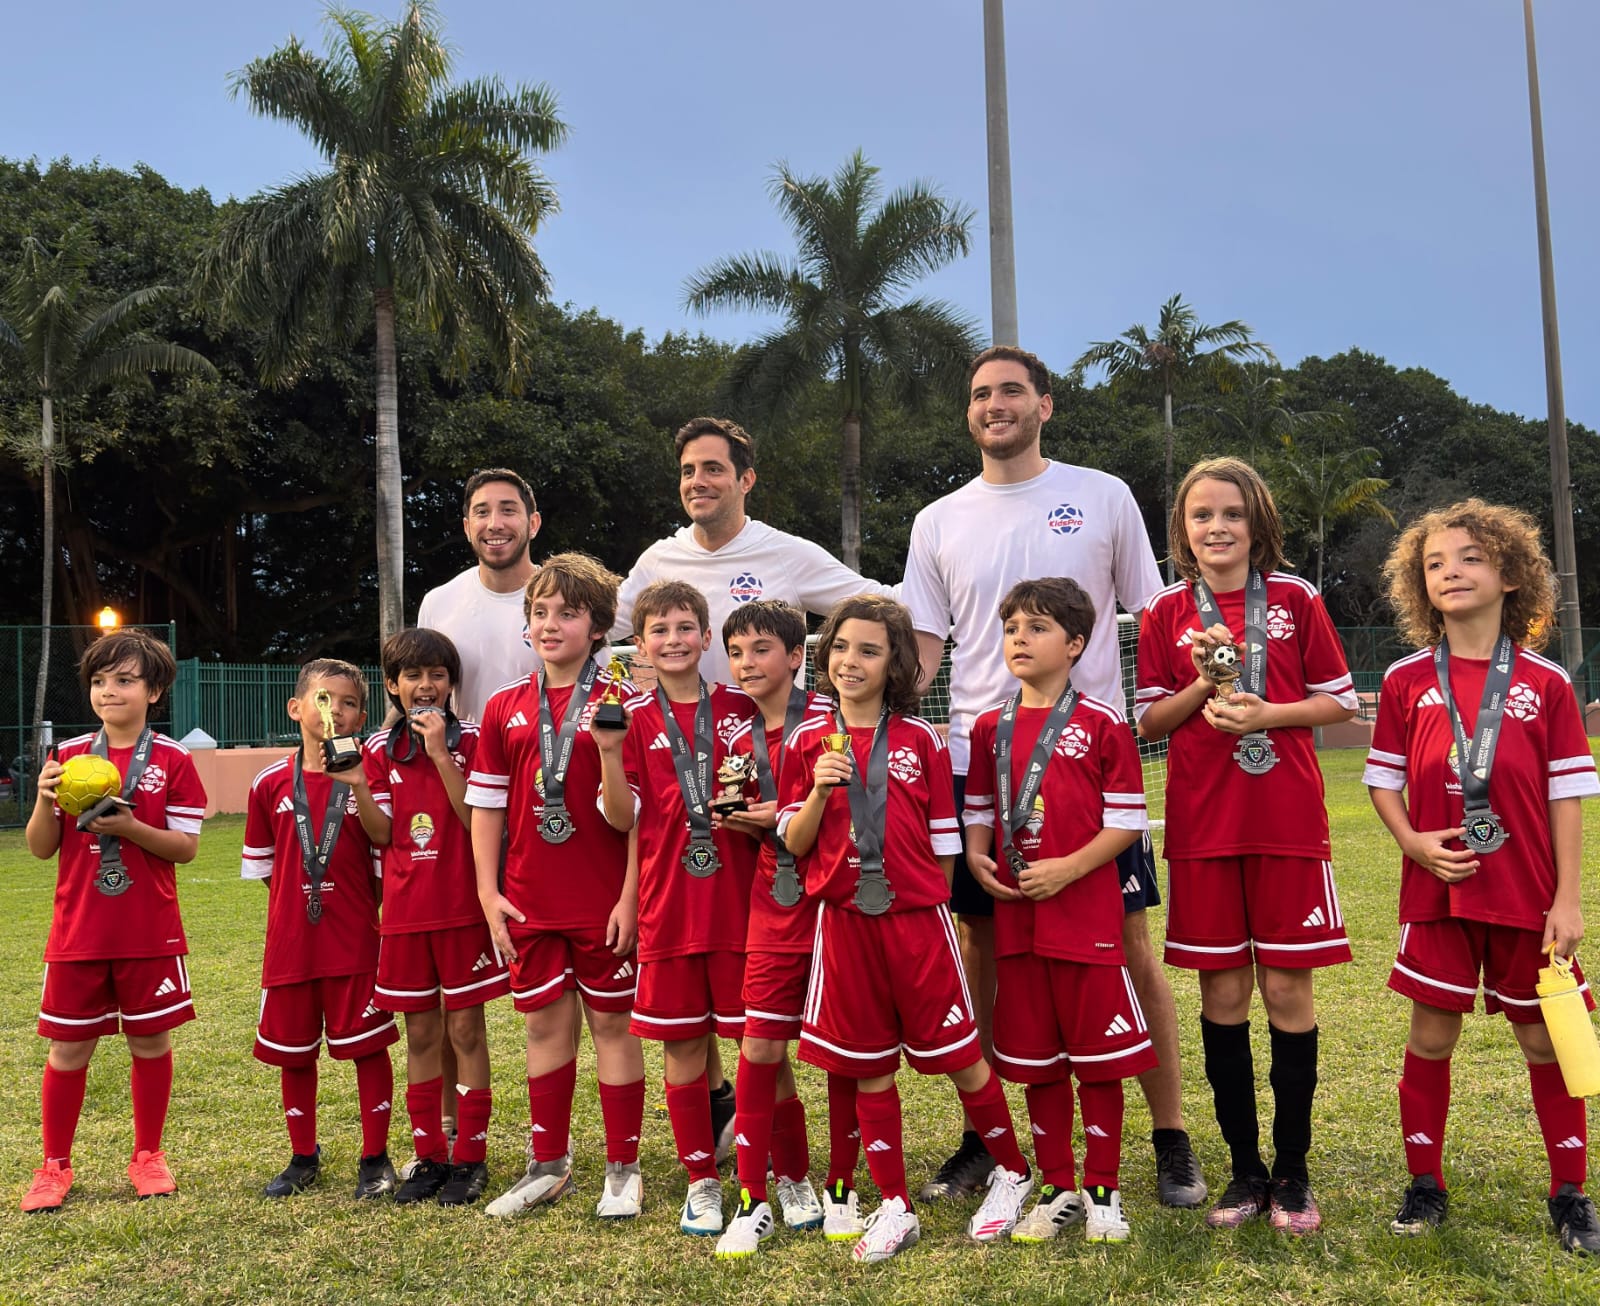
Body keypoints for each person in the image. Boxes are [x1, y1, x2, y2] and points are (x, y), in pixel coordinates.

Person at [901, 345, 1204, 1206]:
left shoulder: (1101, 494)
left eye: (1009, 392)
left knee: (1129, 950)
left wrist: (1211, 682)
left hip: (1083, 772)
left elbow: (1156, 613)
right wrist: (881, 708)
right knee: (983, 944)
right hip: (980, 773)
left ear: (1045, 404)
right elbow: (927, 644)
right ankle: (988, 1138)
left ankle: (1171, 1135)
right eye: (980, 394)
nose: (993, 405)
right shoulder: (938, 520)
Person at [1365, 499, 1600, 1253]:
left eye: (1468, 557)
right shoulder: (1406, 680)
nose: (1451, 571)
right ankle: (1424, 1184)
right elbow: (1384, 781)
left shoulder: (1547, 683)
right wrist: (1412, 842)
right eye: (1435, 562)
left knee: (1547, 1041)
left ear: (1508, 574)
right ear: (1417, 583)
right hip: (1437, 890)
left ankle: (1570, 1195)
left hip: (1528, 895)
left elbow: (1567, 796)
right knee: (1431, 1037)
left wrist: (1567, 898)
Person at [1136, 457, 1356, 1234]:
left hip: (1287, 826)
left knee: (1289, 994)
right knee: (1223, 996)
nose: (1217, 527)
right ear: (1182, 531)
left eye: (1232, 514)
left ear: (1257, 523)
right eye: (1201, 516)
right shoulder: (1166, 611)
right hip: (1204, 832)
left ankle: (1293, 1173)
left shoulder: (1295, 598)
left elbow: (1341, 699)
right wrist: (1205, 686)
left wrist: (1267, 714)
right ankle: (1243, 1172)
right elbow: (1149, 723)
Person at [780, 594, 1033, 1263]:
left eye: (868, 649)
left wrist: (931, 906)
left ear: (895, 662)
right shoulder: (806, 740)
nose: (850, 661)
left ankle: (1011, 1170)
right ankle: (894, 1204)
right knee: (867, 1067)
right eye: (839, 647)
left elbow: (944, 844)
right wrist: (819, 790)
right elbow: (796, 844)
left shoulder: (922, 739)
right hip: (843, 926)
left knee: (961, 1057)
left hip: (918, 922)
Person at [964, 577, 1158, 1245]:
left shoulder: (1102, 723)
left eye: (1038, 627)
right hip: (1018, 920)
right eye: (1012, 625)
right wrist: (977, 853)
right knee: (1038, 1059)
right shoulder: (990, 725)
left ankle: (1103, 1186)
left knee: (1097, 1059)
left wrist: (1071, 868)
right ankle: (1057, 1186)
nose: (1021, 637)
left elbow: (1128, 822)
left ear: (1075, 644)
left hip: (1085, 919)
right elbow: (981, 810)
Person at [468, 553, 648, 1221]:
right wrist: (488, 894)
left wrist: (631, 896)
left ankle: (623, 1168)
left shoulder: (628, 704)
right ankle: (548, 1164)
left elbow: (639, 819)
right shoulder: (504, 707)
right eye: (539, 613)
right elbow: (486, 807)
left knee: (611, 1022)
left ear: (599, 628)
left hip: (604, 902)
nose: (550, 624)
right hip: (529, 898)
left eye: (567, 613)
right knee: (544, 1025)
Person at [21, 630, 207, 1213]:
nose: (109, 691)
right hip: (78, 930)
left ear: (153, 691)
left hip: (148, 929)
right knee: (68, 1049)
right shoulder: (69, 758)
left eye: (124, 680)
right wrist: (41, 799)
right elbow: (40, 849)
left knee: (150, 1040)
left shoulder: (173, 759)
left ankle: (147, 1155)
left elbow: (184, 849)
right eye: (99, 681)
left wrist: (129, 829)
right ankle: (54, 1165)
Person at [595, 579, 758, 1238]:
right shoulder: (628, 716)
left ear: (705, 636)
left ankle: (761, 1173)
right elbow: (621, 818)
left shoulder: (743, 707)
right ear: (640, 644)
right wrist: (608, 754)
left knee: (757, 1046)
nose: (672, 640)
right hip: (671, 907)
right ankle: (702, 1182)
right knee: (684, 1047)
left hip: (744, 906)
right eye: (658, 630)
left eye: (685, 627)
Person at [241, 659, 399, 1200]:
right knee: (294, 1052)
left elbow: (383, 853)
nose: (337, 710)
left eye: (350, 702)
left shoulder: (369, 777)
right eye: (325, 699)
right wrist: (305, 899)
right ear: (297, 708)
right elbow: (265, 867)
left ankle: (375, 1158)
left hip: (355, 941)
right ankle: (302, 1156)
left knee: (367, 1048)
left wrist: (349, 906)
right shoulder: (268, 784)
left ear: (362, 715)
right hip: (292, 944)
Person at [363, 628, 507, 1207]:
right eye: (413, 676)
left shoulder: (472, 738)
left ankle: (471, 1157)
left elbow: (474, 818)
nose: (426, 686)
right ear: (393, 685)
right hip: (403, 913)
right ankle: (429, 1156)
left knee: (465, 1029)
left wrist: (441, 753)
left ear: (453, 683)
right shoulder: (375, 749)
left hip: (461, 909)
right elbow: (384, 833)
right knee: (421, 1032)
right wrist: (355, 785)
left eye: (438, 675)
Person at [712, 600, 834, 1258]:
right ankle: (763, 1192)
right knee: (760, 1048)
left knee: (848, 1053)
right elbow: (741, 818)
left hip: (834, 908)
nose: (746, 663)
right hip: (771, 909)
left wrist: (778, 815)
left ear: (795, 656)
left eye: (761, 649)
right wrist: (734, 818)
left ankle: (828, 1182)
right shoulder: (737, 740)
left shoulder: (831, 724)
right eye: (736, 652)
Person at [614, 417, 896, 688]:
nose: (697, 481)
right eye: (688, 471)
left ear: (746, 480)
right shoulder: (658, 560)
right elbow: (596, 628)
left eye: (713, 469)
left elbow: (887, 605)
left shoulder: (787, 554)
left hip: (770, 736)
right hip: (679, 736)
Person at [418, 468, 542, 722]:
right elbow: (418, 695)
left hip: (547, 760)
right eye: (482, 513)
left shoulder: (573, 601)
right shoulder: (438, 604)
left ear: (533, 524)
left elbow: (598, 692)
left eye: (508, 510)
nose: (495, 524)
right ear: (467, 527)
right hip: (461, 761)